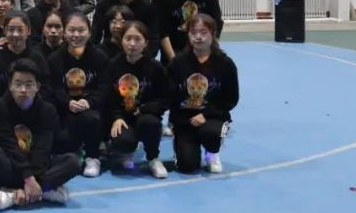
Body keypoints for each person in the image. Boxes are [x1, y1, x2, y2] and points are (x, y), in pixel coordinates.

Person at [0, 59, 80, 211]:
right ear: (10, 86)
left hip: (39, 164)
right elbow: (8, 144)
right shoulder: (0, 107)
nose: (23, 90)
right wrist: (28, 178)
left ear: (37, 87)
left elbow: (42, 148)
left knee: (73, 162)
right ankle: (44, 191)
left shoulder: (47, 110)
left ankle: (17, 193)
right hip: (12, 161)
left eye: (29, 85)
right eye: (18, 84)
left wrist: (32, 180)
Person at [167, 14, 238, 174]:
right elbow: (170, 95)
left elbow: (231, 98)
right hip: (185, 119)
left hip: (212, 117)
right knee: (187, 166)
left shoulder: (225, 63)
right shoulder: (178, 63)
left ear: (213, 34)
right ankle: (183, 144)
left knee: (210, 133)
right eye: (193, 32)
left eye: (203, 32)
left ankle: (212, 153)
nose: (198, 37)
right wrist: (179, 119)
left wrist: (206, 114)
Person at [0, 10, 51, 149]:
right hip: (2, 113)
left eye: (20, 30)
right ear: (4, 31)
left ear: (29, 31)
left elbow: (46, 88)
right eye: (11, 29)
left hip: (30, 111)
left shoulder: (37, 57)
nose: (15, 34)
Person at [103, 21, 170, 178]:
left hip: (145, 116)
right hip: (123, 118)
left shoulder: (156, 68)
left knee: (150, 123)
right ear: (122, 41)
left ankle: (153, 158)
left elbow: (166, 98)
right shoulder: (113, 65)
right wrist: (116, 117)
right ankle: (126, 151)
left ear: (145, 42)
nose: (132, 44)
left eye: (137, 39)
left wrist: (147, 109)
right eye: (128, 39)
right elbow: (108, 97)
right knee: (123, 139)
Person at [47, 12, 109, 178]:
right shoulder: (54, 59)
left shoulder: (99, 57)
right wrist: (67, 102)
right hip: (66, 110)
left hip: (90, 109)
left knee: (92, 118)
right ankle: (75, 150)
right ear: (64, 32)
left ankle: (93, 157)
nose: (76, 35)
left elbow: (104, 87)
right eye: (71, 30)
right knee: (62, 141)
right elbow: (54, 88)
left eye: (81, 30)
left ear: (89, 32)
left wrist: (89, 102)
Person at [91, 0, 159, 56]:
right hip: (109, 51)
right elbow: (95, 33)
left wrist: (145, 57)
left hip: (138, 52)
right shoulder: (103, 4)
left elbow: (154, 37)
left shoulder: (147, 7)